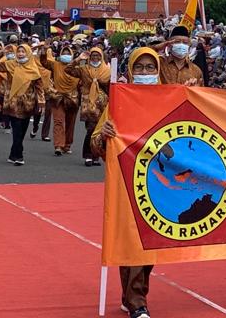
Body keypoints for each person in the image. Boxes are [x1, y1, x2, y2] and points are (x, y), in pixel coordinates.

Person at [89, 47, 161, 318]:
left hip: (161, 181)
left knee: (152, 243)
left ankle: (132, 294)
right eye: (139, 68)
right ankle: (137, 302)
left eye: (149, 68)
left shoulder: (170, 97)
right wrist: (105, 134)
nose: (145, 73)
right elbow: (96, 144)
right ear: (130, 71)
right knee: (133, 241)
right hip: (128, 181)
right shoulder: (119, 101)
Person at [0, 43, 46, 165]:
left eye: (23, 52)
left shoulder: (33, 67)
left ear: (28, 53)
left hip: (28, 103)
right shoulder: (10, 64)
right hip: (13, 103)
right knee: (17, 129)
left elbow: (39, 87)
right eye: (19, 51)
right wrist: (0, 53)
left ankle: (12, 154)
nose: (20, 54)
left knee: (22, 130)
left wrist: (41, 102)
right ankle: (19, 156)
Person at [66, 46, 111, 166]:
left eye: (97, 56)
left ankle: (96, 156)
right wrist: (78, 59)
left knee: (100, 130)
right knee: (90, 130)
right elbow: (68, 69)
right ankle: (88, 155)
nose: (95, 58)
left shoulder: (107, 70)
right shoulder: (84, 68)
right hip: (88, 104)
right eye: (93, 55)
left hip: (102, 104)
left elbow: (111, 87)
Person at [41, 44, 80, 156]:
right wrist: (43, 51)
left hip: (72, 99)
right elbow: (44, 62)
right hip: (58, 97)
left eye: (68, 54)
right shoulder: (55, 65)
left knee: (70, 123)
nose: (66, 55)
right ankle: (58, 145)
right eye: (64, 53)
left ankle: (67, 145)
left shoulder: (77, 69)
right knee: (58, 121)